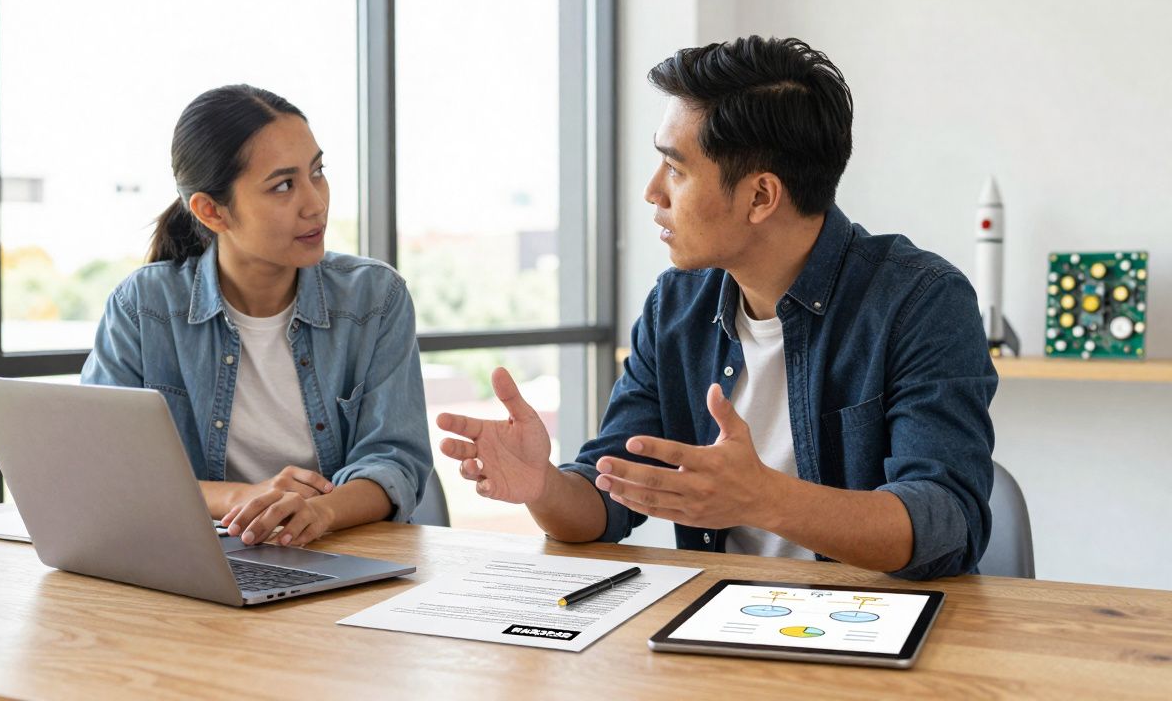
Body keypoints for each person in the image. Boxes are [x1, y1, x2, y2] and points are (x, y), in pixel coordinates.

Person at [437, 36, 997, 580]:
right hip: (719, 628)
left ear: (760, 196)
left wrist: (761, 497)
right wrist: (543, 485)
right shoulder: (676, 306)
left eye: (676, 169)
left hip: (879, 635)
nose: (653, 191)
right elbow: (605, 502)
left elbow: (944, 523)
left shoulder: (922, 301)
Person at [82, 84, 431, 549]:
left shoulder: (375, 298)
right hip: (193, 558)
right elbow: (108, 471)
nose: (316, 203)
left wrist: (318, 511)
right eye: (283, 185)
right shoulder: (144, 306)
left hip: (341, 554)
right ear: (211, 211)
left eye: (317, 172)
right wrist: (244, 498)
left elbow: (395, 462)